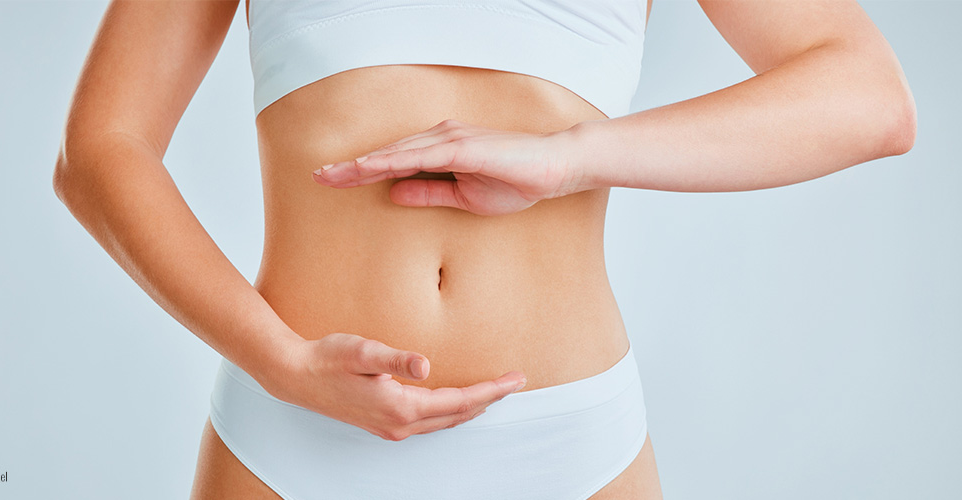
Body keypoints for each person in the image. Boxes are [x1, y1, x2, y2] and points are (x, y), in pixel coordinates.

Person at [52, 0, 916, 498]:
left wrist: (571, 156)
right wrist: (279, 363)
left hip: (569, 445)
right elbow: (100, 147)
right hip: (292, 435)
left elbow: (867, 96)